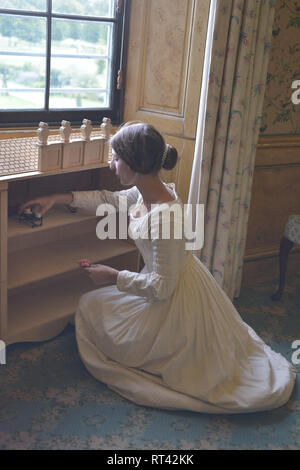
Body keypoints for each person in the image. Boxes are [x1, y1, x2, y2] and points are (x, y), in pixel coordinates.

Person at [19, 121, 296, 414]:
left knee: (92, 307)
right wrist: (55, 199)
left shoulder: (166, 221)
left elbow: (163, 289)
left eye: (116, 158)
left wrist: (112, 276)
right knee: (90, 306)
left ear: (137, 162)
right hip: (163, 280)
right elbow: (108, 199)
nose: (111, 165)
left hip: (172, 296)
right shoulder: (148, 190)